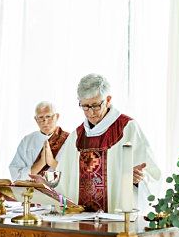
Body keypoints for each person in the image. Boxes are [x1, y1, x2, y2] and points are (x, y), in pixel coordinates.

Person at [55, 73, 160, 212]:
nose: (90, 113)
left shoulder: (128, 128)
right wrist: (46, 186)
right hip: (80, 221)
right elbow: (63, 182)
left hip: (115, 220)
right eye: (85, 106)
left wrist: (138, 180)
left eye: (95, 105)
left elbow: (152, 175)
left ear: (108, 99)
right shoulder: (76, 136)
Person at [8, 101, 69, 181]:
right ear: (35, 119)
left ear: (57, 117)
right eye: (41, 117)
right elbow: (16, 175)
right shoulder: (27, 141)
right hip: (30, 191)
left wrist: (52, 163)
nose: (45, 122)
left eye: (48, 116)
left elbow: (74, 174)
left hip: (57, 192)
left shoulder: (69, 140)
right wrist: (40, 164)